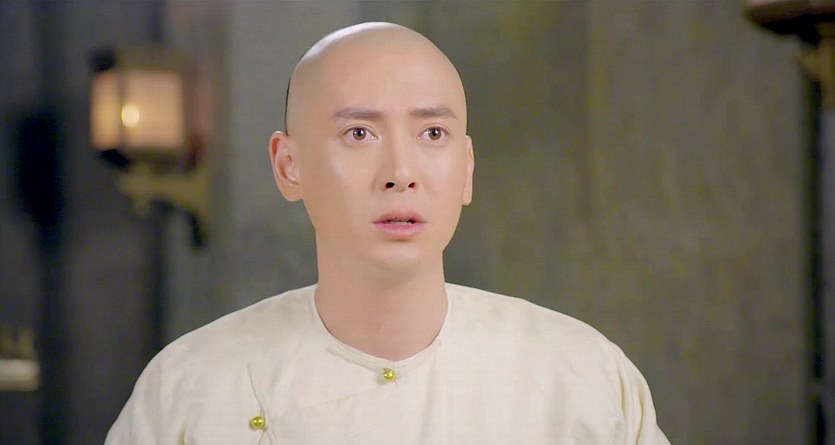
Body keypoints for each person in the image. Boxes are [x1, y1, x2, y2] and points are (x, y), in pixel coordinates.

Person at [105, 22, 670, 444]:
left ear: (467, 168)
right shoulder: (190, 389)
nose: (401, 172)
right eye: (359, 133)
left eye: (432, 133)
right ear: (288, 165)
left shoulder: (582, 377)